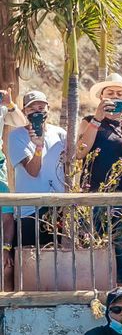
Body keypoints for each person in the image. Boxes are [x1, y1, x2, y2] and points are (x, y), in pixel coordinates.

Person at [76, 74, 122, 289]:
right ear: (101, 98)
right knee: (93, 256)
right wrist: (97, 120)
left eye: (119, 94)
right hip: (94, 199)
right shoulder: (89, 121)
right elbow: (80, 153)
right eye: (110, 94)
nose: (114, 98)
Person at [3, 91, 67, 287]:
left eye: (41, 107)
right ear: (25, 111)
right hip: (29, 211)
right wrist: (38, 147)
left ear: (48, 109)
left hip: (57, 209)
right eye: (32, 108)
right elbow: (32, 170)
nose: (37, 112)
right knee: (29, 264)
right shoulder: (16, 136)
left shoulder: (61, 134)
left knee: (56, 261)